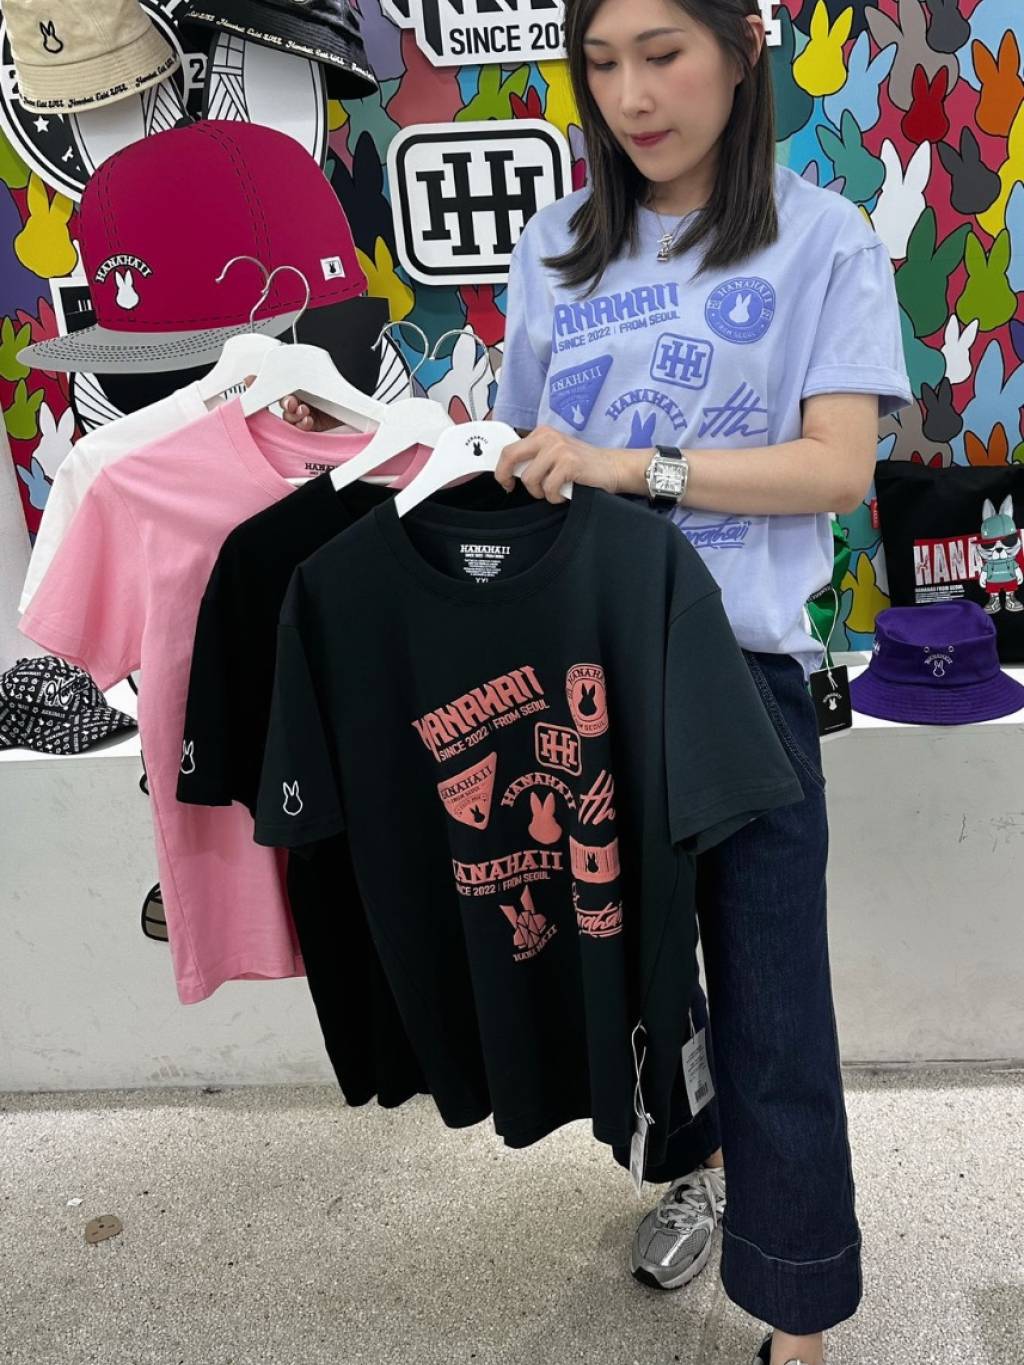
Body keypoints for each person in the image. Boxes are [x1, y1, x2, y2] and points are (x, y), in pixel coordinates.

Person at [283, 2, 911, 1358]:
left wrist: (634, 469)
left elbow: (837, 467)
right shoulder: (557, 244)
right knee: (640, 978)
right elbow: (525, 446)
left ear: (741, 50)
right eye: (604, 63)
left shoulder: (824, 239)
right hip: (580, 666)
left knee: (774, 996)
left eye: (662, 54)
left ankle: (799, 1310)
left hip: (740, 669)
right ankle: (700, 1168)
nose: (631, 96)